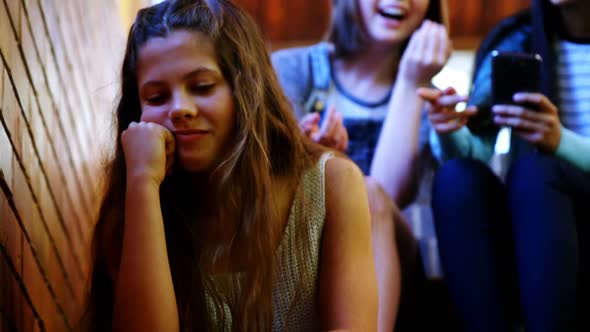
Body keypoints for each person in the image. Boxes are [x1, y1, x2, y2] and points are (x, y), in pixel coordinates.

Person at [86, 0, 379, 331]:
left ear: (245, 90)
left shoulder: (332, 184)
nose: (180, 108)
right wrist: (142, 183)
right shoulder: (131, 213)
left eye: (201, 87)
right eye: (156, 98)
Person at [272, 0, 451, 330]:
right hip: (302, 252)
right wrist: (312, 159)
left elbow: (386, 196)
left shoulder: (432, 99)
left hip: (397, 267)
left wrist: (412, 82)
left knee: (365, 194)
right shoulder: (292, 71)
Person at [419, 0, 590, 331]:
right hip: (543, 226)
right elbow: (476, 151)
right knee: (457, 178)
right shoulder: (517, 38)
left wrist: (560, 142)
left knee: (536, 171)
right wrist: (451, 130)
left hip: (561, 206)